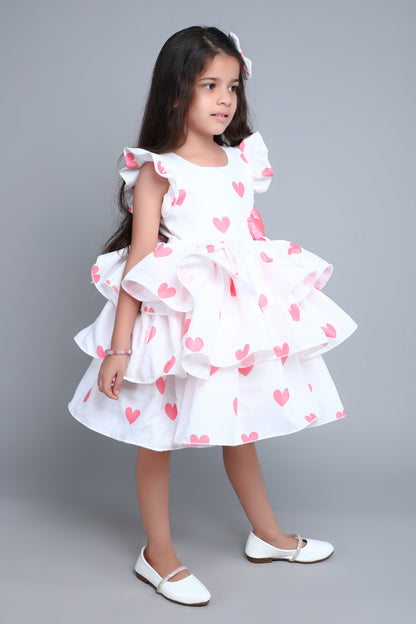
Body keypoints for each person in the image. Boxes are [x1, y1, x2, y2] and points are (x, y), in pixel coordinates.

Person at [68, 26, 358, 607]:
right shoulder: (159, 170)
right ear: (176, 92)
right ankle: (158, 554)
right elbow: (139, 266)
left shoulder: (241, 160)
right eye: (209, 85)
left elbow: (245, 244)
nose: (225, 99)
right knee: (156, 435)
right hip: (175, 321)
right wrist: (119, 349)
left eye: (232, 86)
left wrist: (262, 311)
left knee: (238, 422)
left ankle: (267, 535)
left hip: (230, 321)